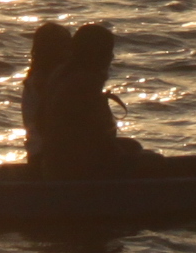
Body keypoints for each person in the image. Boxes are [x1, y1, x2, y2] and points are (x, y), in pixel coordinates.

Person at [34, 21, 155, 177]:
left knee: (133, 147)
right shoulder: (84, 84)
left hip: (53, 160)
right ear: (98, 54)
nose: (112, 57)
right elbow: (99, 139)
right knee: (153, 161)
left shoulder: (60, 75)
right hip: (75, 167)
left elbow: (40, 121)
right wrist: (123, 159)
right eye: (108, 51)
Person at [18, 21, 74, 174]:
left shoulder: (38, 79)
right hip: (47, 157)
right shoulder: (43, 83)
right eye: (65, 46)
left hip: (41, 154)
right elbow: (46, 128)